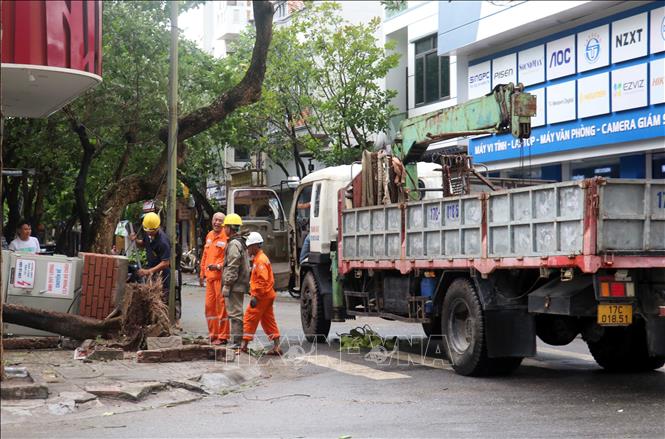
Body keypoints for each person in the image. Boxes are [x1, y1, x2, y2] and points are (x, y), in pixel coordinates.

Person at [241, 232, 281, 355]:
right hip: (267, 294)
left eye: (248, 247)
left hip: (262, 296)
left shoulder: (260, 261)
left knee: (249, 317)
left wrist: (256, 296)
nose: (247, 249)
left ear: (255, 246)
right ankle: (277, 346)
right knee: (268, 320)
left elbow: (262, 281)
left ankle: (244, 345)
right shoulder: (260, 259)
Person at [199, 212, 229, 345]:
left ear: (224, 223)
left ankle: (223, 337)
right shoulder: (209, 235)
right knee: (209, 308)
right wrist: (201, 273)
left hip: (220, 279)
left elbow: (229, 261)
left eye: (220, 221)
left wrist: (218, 266)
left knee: (221, 308)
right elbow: (205, 255)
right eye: (215, 220)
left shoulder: (227, 237)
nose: (217, 222)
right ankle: (213, 335)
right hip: (210, 279)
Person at [221, 213, 250, 347]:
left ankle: (236, 342)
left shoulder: (234, 244)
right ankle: (237, 341)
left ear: (229, 228)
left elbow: (233, 265)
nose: (223, 229)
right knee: (235, 312)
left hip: (235, 284)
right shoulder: (240, 242)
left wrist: (227, 284)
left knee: (235, 313)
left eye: (225, 226)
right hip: (239, 283)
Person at [130, 212, 172, 306]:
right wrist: (135, 240)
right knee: (150, 301)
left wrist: (148, 271)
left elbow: (165, 263)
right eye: (147, 230)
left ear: (157, 227)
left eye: (151, 231)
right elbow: (143, 244)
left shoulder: (163, 242)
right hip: (151, 272)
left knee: (161, 302)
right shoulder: (147, 233)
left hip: (162, 276)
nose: (149, 232)